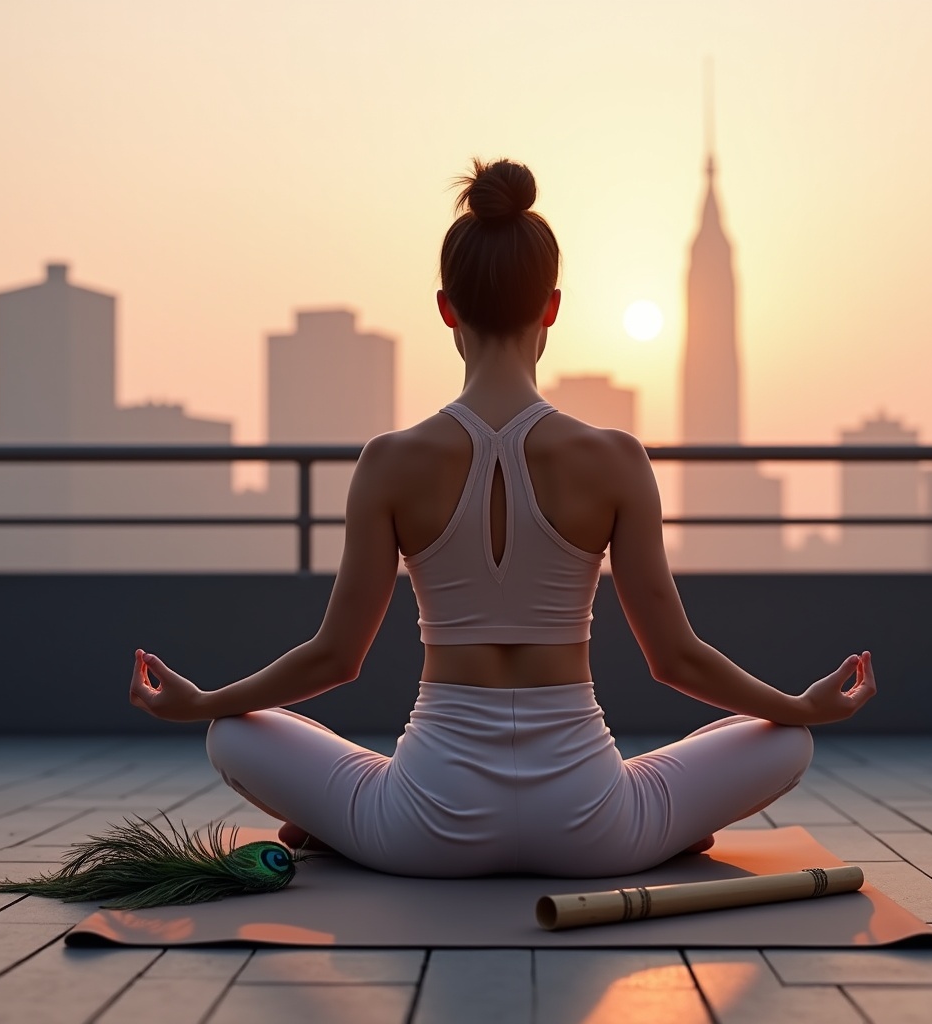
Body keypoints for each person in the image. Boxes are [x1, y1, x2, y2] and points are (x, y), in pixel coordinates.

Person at [129, 158, 876, 878]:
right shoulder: (614, 458)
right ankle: (663, 832)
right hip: (594, 827)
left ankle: (342, 826)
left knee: (233, 733)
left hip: (423, 829)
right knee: (785, 742)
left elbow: (335, 659)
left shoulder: (389, 461)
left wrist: (204, 701)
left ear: (447, 309)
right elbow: (674, 659)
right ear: (551, 307)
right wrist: (795, 705)